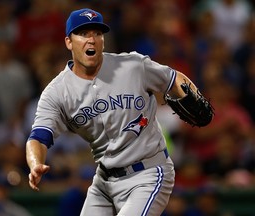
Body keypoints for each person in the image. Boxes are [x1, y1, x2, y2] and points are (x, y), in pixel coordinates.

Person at [26, 8, 211, 216]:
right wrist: (35, 163)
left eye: (97, 33)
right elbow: (39, 136)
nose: (92, 39)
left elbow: (173, 78)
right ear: (69, 42)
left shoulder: (132, 66)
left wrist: (193, 93)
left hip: (148, 173)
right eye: (83, 33)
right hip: (104, 182)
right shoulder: (57, 92)